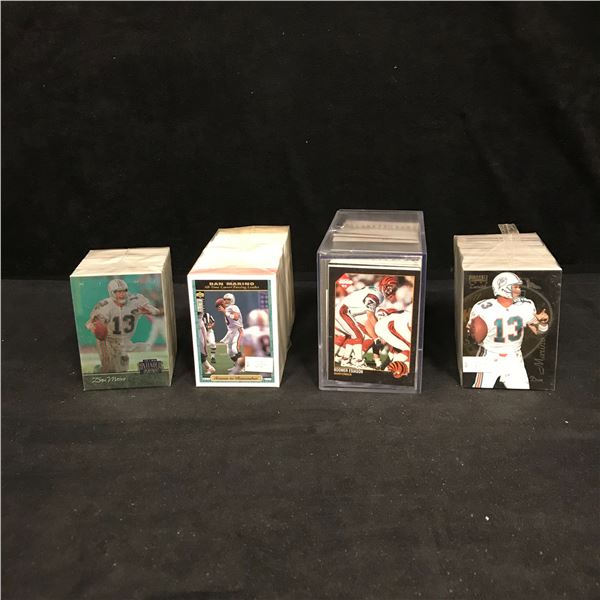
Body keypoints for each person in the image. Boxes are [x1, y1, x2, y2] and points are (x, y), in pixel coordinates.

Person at [468, 272, 549, 389]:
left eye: (518, 287)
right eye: (515, 287)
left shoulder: (525, 306)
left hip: (514, 357)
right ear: (502, 287)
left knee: (523, 394)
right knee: (479, 392)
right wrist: (474, 333)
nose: (519, 290)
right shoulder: (482, 307)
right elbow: (472, 334)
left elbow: (539, 332)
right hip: (489, 355)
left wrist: (543, 323)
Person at [86, 278, 161, 373]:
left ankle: (99, 370)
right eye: (118, 292)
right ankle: (101, 370)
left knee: (122, 370)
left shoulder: (135, 301)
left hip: (124, 340)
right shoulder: (104, 305)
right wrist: (93, 327)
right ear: (111, 292)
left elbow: (156, 311)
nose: (122, 294)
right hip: (107, 340)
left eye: (124, 291)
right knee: (109, 369)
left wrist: (149, 311)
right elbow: (90, 323)